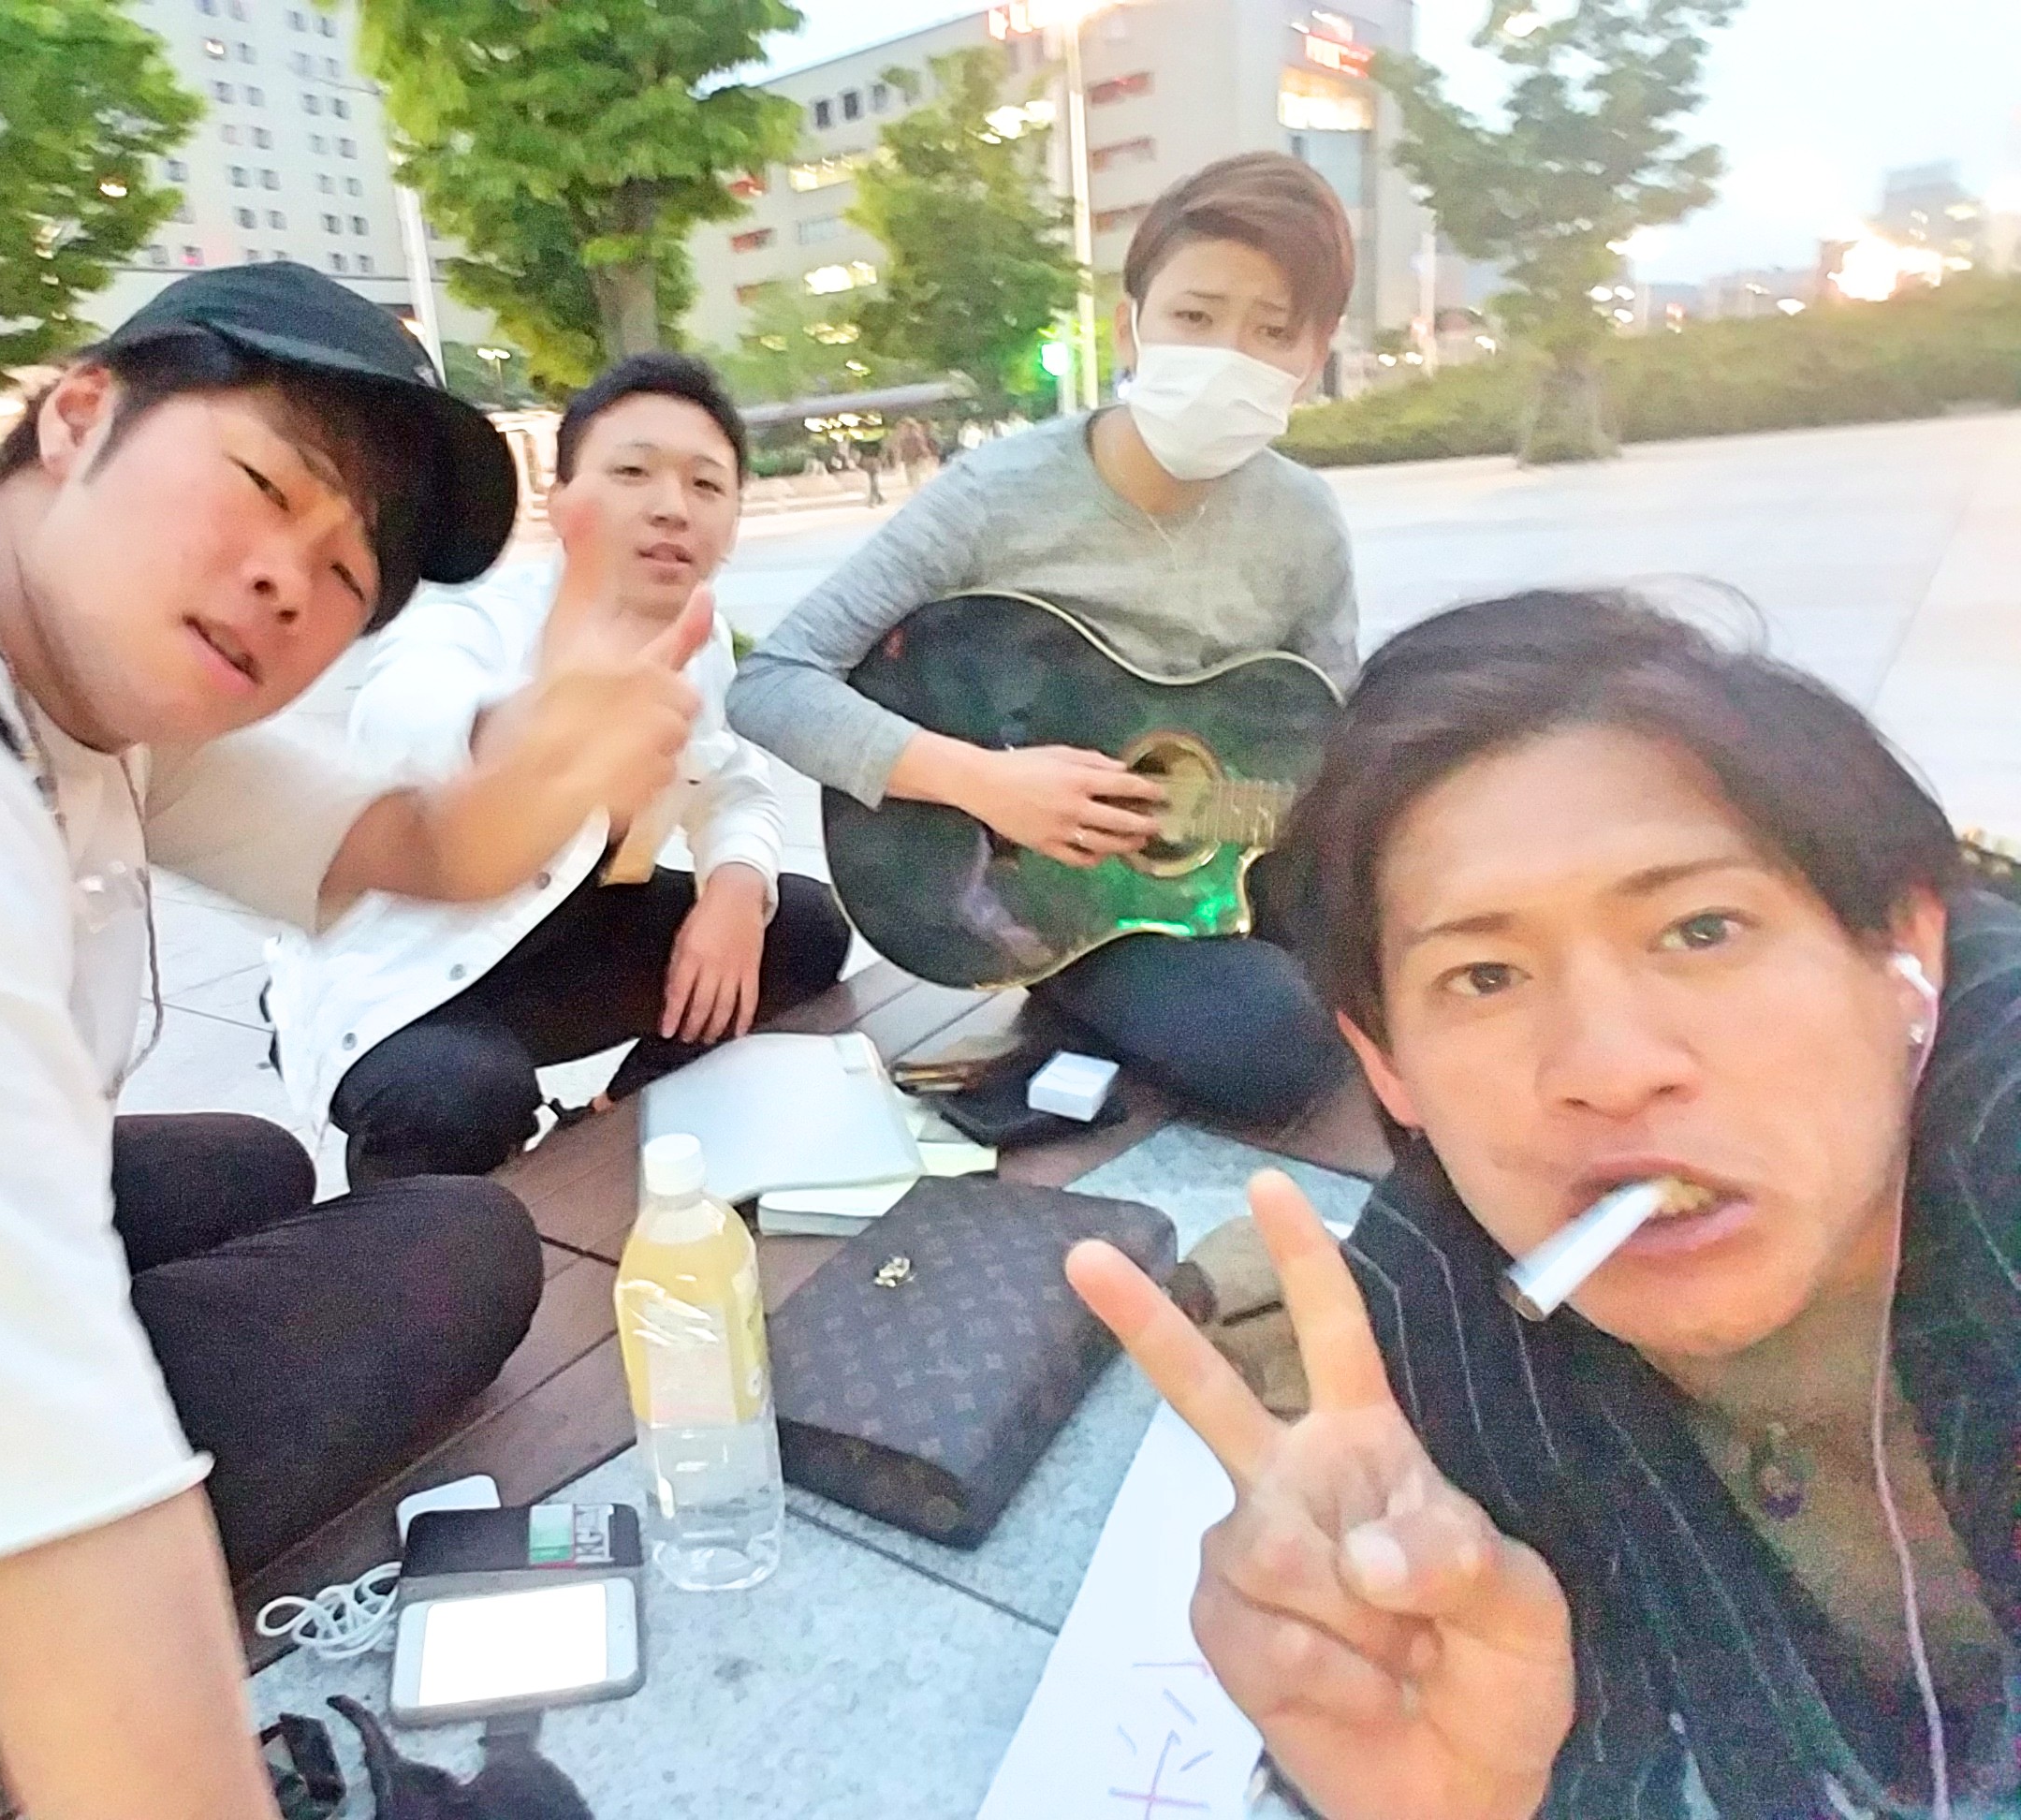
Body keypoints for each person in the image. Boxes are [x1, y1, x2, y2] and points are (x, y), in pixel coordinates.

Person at [0, 262, 710, 1819]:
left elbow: (413, 840)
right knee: (458, 1247)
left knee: (248, 1163)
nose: (289, 581)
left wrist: (544, 755)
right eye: (265, 485)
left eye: (348, 573)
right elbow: (59, 1531)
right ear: (78, 415)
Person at [1070, 590, 2021, 1819]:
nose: (1610, 1068)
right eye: (1485, 975)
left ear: (1907, 954)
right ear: (1387, 1065)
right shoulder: (1438, 1325)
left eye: (1702, 928)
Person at [728, 153, 1361, 1132]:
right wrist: (987, 784)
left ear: (1314, 357)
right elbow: (772, 681)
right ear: (1130, 327)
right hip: (1040, 884)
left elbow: (1333, 738)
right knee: (1279, 1048)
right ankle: (1069, 982)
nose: (1229, 355)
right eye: (1195, 317)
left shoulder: (1305, 523)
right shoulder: (996, 496)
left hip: (1227, 856)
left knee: (1401, 966)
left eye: (1272, 331)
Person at [266, 352, 852, 1187]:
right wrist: (529, 728)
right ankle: (401, 1238)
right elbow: (403, 712)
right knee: (458, 1095)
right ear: (563, 501)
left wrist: (732, 889)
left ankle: (618, 1122)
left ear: (729, 524)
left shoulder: (697, 638)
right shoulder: (475, 617)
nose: (671, 507)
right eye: (633, 472)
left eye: (706, 485)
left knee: (801, 928)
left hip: (569, 940)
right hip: (414, 965)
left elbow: (733, 785)